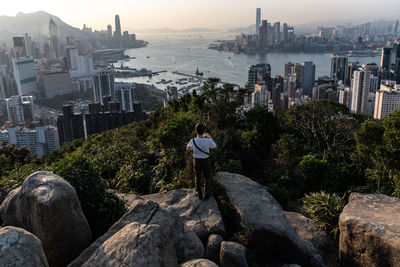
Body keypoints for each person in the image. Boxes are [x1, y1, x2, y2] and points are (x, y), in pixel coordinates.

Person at [187, 123, 217, 199]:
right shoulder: (207, 140)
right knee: (207, 177)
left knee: (198, 177)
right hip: (206, 161)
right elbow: (214, 146)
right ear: (204, 131)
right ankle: (207, 193)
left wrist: (193, 148)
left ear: (195, 131)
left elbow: (188, 149)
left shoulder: (192, 140)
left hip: (196, 161)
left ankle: (199, 192)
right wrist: (210, 137)